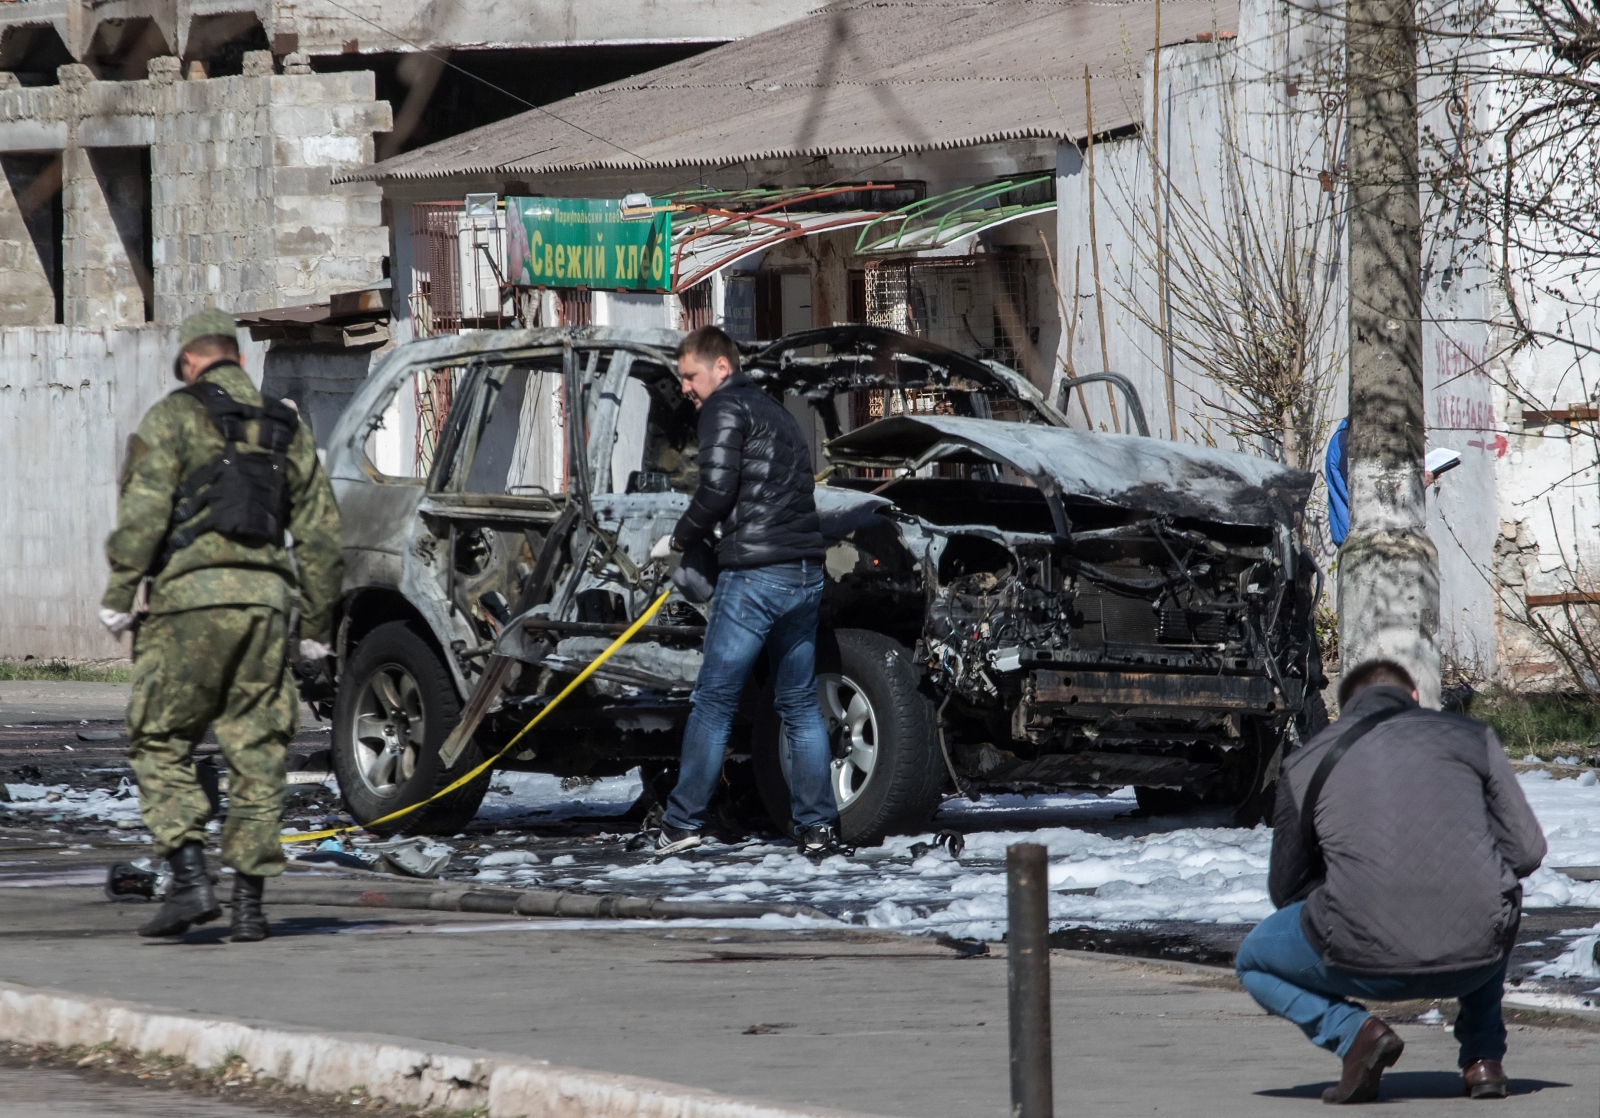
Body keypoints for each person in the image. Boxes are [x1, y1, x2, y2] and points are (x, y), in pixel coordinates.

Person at [100, 308, 343, 941]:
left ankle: (189, 880)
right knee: (258, 752)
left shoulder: (174, 416)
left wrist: (123, 589)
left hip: (188, 605)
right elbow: (320, 534)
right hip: (265, 609)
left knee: (159, 739)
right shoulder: (286, 426)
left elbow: (144, 511)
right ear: (237, 358)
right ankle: (248, 909)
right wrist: (316, 624)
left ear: (188, 362)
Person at [1235, 659, 1546, 1103]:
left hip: (1356, 955)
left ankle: (1354, 1034)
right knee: (1488, 901)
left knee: (1252, 960)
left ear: (1346, 711)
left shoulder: (1307, 760)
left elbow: (1286, 887)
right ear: (1415, 696)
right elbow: (1528, 851)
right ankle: (1484, 1061)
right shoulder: (1472, 737)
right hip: (1473, 956)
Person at [647, 326, 842, 858]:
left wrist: (678, 540)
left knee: (713, 702)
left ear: (721, 368)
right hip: (805, 572)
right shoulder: (777, 413)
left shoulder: (722, 408)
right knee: (800, 704)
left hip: (754, 577)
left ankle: (683, 821)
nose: (685, 388)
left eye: (690, 376)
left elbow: (715, 489)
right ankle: (818, 827)